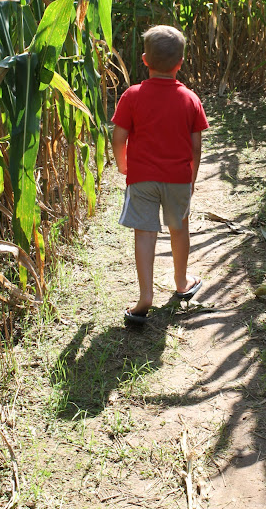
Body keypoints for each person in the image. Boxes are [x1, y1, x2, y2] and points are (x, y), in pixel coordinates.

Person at [111, 25, 209, 324]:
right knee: (179, 228)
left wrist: (122, 164)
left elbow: (118, 137)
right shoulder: (190, 98)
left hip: (142, 177)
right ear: (180, 62)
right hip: (178, 178)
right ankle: (181, 282)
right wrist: (191, 179)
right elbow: (196, 147)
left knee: (144, 233)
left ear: (144, 60)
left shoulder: (132, 95)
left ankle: (145, 297)